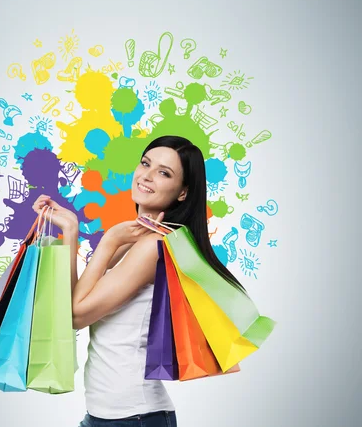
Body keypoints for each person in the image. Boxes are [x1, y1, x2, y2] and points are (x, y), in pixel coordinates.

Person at [31, 135, 247, 427]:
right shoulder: (135, 238)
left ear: (183, 193)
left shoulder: (152, 245)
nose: (146, 175)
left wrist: (108, 241)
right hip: (106, 416)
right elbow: (72, 301)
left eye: (164, 172)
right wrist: (71, 231)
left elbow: (76, 316)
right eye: (146, 163)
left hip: (133, 417)